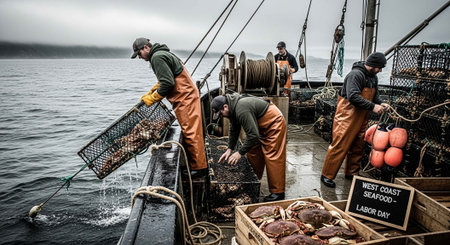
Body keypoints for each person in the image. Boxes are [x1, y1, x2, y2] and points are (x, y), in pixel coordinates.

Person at [131, 37, 207, 177]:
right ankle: (196, 164)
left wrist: (152, 98)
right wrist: (153, 90)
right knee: (191, 130)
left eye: (139, 54)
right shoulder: (163, 53)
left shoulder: (157, 57)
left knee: (191, 131)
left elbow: (167, 83)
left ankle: (199, 168)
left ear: (145, 48)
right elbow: (168, 77)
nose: (140, 58)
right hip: (186, 95)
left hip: (185, 97)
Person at [320, 52, 390, 188]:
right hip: (346, 117)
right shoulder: (356, 75)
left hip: (362, 117)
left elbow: (375, 96)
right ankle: (327, 175)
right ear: (374, 65)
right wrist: (373, 107)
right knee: (340, 146)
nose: (380, 70)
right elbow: (353, 96)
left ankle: (352, 173)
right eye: (380, 67)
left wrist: (381, 103)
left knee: (358, 146)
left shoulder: (373, 77)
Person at [211, 94, 287, 202]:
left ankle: (278, 193)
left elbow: (253, 136)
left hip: (274, 123)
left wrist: (239, 153)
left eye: (221, 113)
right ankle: (252, 182)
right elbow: (234, 130)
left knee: (273, 155)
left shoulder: (241, 108)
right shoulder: (232, 109)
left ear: (225, 107)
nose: (221, 116)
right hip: (259, 126)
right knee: (253, 151)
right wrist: (229, 149)